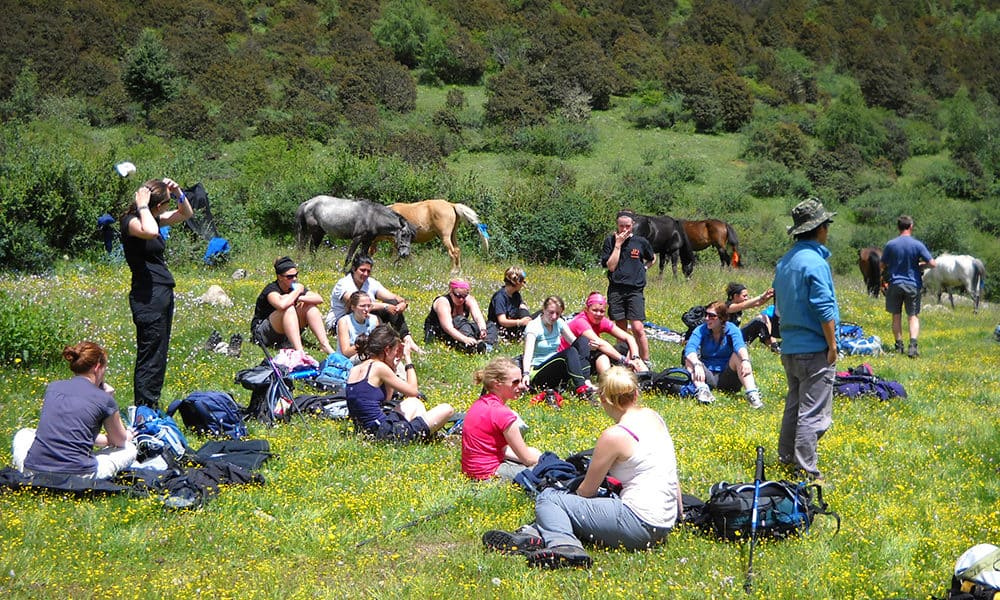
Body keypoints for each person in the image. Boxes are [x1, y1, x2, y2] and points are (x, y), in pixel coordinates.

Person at [481, 367, 681, 569]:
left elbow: (587, 492)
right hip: (664, 524)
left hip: (637, 524)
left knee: (549, 498)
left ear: (603, 399)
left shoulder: (615, 435)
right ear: (636, 393)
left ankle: (565, 546)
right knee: (570, 507)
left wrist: (567, 497)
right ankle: (532, 533)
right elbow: (671, 474)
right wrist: (678, 515)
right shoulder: (654, 417)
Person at [772, 197, 840, 482]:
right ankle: (806, 470)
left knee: (794, 405)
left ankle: (786, 457)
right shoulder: (816, 262)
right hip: (814, 348)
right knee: (813, 413)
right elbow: (824, 308)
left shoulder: (785, 262)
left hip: (790, 347)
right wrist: (833, 344)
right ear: (820, 228)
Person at [11, 341, 136, 479]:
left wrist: (106, 440)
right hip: (78, 475)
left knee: (23, 433)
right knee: (129, 449)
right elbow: (119, 441)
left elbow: (69, 430)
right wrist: (126, 435)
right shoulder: (105, 399)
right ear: (97, 367)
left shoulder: (53, 388)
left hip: (34, 470)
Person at [121, 177, 193, 409]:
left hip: (160, 292)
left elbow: (185, 214)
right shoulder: (132, 222)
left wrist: (178, 192)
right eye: (166, 203)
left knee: (159, 353)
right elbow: (151, 232)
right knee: (150, 354)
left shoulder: (152, 218)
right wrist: (142, 206)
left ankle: (150, 406)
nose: (167, 208)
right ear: (157, 205)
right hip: (147, 297)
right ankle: (143, 410)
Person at [345, 324, 454, 442]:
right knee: (447, 409)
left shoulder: (355, 369)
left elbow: (386, 398)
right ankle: (422, 436)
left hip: (367, 431)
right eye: (396, 351)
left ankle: (423, 435)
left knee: (413, 403)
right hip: (385, 434)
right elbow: (413, 391)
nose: (397, 355)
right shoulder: (379, 367)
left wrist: (393, 367)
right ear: (387, 350)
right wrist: (408, 359)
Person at [462, 357, 540, 481]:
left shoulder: (479, 404)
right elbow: (528, 459)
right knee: (544, 470)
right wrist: (545, 459)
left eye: (520, 381)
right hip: (489, 475)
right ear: (497, 383)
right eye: (515, 382)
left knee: (534, 453)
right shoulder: (503, 414)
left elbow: (497, 448)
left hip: (470, 471)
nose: (521, 386)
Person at [325, 255, 421, 354]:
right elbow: (354, 304)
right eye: (362, 270)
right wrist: (385, 306)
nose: (366, 274)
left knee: (392, 303)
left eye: (368, 271)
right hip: (342, 322)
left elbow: (393, 297)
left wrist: (402, 303)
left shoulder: (371, 283)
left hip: (365, 319)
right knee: (373, 307)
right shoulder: (344, 284)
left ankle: (407, 339)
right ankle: (381, 341)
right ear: (354, 269)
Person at [251, 256, 335, 359]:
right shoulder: (271, 289)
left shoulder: (295, 287)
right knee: (288, 306)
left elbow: (319, 299)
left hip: (284, 329)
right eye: (289, 277)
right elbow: (281, 305)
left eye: (296, 275)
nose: (294, 279)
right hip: (263, 333)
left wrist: (301, 297)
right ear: (279, 277)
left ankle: (325, 345)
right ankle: (300, 352)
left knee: (310, 307)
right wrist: (296, 292)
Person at [683, 301, 763, 408]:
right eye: (706, 315)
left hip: (727, 376)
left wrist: (745, 361)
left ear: (721, 318)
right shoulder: (701, 330)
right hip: (707, 375)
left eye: (712, 316)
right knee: (688, 357)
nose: (707, 318)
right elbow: (690, 348)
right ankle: (703, 391)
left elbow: (740, 346)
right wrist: (697, 364)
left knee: (738, 357)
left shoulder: (732, 329)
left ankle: (752, 394)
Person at [600, 210, 655, 365]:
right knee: (620, 327)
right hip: (616, 289)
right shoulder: (610, 242)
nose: (624, 229)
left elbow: (652, 258)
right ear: (617, 225)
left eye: (627, 226)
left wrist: (644, 269)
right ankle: (624, 358)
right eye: (621, 226)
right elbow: (611, 267)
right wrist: (618, 245)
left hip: (635, 290)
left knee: (638, 327)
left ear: (633, 225)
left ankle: (646, 360)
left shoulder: (640, 242)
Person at [880, 215, 936, 358]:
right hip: (913, 284)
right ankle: (913, 346)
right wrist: (920, 265)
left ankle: (899, 346)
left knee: (896, 316)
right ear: (911, 226)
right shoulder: (917, 245)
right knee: (912, 316)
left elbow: (882, 265)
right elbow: (933, 264)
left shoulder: (891, 244)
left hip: (895, 283)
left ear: (898, 227)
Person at [522, 295, 596, 400]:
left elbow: (575, 343)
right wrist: (526, 374)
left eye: (558, 313)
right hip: (538, 370)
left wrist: (589, 347)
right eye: (551, 312)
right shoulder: (533, 326)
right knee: (569, 352)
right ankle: (582, 389)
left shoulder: (559, 323)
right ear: (543, 310)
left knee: (583, 341)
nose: (554, 317)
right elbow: (528, 353)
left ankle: (586, 381)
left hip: (555, 367)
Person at [560, 292, 647, 378]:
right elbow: (600, 344)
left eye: (602, 311)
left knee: (626, 347)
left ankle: (643, 376)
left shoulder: (602, 320)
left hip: (588, 356)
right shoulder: (580, 321)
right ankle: (609, 381)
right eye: (594, 310)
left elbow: (629, 338)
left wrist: (636, 357)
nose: (598, 314)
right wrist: (624, 360)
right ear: (586, 309)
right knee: (600, 351)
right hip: (571, 361)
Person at [424, 279, 497, 353]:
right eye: (458, 296)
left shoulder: (469, 300)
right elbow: (448, 328)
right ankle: (473, 345)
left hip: (463, 329)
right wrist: (465, 339)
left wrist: (482, 329)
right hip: (444, 332)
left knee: (490, 325)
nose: (461, 299)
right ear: (451, 291)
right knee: (459, 319)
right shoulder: (443, 303)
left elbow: (478, 317)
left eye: (464, 296)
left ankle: (486, 346)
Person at [725, 282, 779, 352]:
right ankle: (775, 348)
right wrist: (761, 296)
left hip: (736, 337)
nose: (746, 298)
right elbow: (743, 305)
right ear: (735, 296)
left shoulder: (737, 307)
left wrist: (768, 296)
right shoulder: (727, 307)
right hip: (728, 341)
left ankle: (774, 347)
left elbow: (758, 303)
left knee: (761, 319)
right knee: (758, 321)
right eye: (744, 296)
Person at [487, 267, 532, 342]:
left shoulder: (515, 294)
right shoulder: (500, 297)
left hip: (515, 325)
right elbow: (502, 321)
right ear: (517, 282)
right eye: (523, 281)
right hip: (502, 330)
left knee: (542, 313)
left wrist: (528, 319)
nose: (524, 284)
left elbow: (522, 306)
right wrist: (520, 322)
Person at [336, 291, 379, 363]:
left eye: (369, 306)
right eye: (362, 306)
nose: (366, 309)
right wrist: (364, 343)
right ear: (353, 307)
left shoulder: (374, 320)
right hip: (348, 360)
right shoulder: (344, 322)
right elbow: (346, 352)